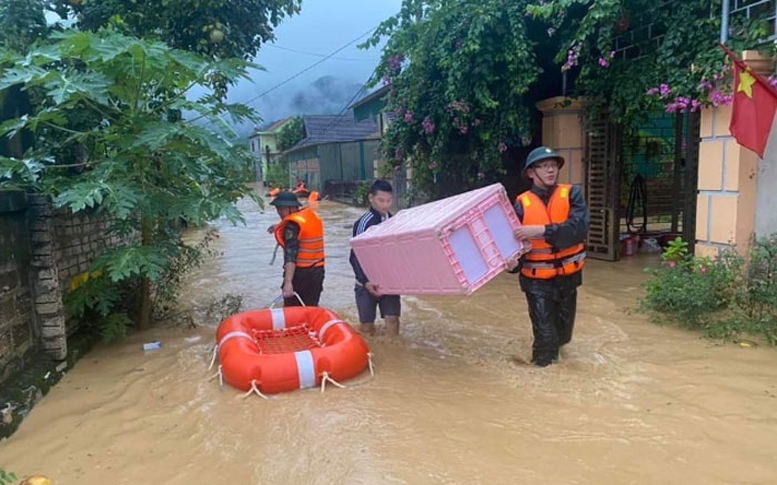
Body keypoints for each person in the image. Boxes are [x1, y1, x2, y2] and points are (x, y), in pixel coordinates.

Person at [505, 146, 589, 367]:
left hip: (568, 279)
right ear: (531, 173)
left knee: (563, 337)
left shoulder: (572, 194)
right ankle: (539, 379)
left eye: (553, 166)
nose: (551, 170)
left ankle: (555, 373)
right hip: (536, 282)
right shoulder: (521, 204)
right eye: (544, 166)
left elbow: (577, 230)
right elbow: (514, 246)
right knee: (546, 340)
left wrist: (541, 230)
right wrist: (512, 265)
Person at [349, 179, 401, 336]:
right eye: (381, 200)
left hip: (389, 281)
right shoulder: (364, 223)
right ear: (371, 198)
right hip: (366, 283)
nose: (385, 205)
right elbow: (355, 256)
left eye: (389, 200)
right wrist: (366, 281)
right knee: (367, 327)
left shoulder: (394, 221)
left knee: (393, 321)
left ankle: (393, 355)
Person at [267, 191, 325, 307]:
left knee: (292, 310)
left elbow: (291, 256)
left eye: (281, 209)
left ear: (291, 208)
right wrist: (279, 226)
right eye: (277, 208)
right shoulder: (309, 215)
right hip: (317, 271)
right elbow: (302, 231)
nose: (278, 212)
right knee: (311, 306)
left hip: (300, 275)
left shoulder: (291, 227)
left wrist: (288, 283)